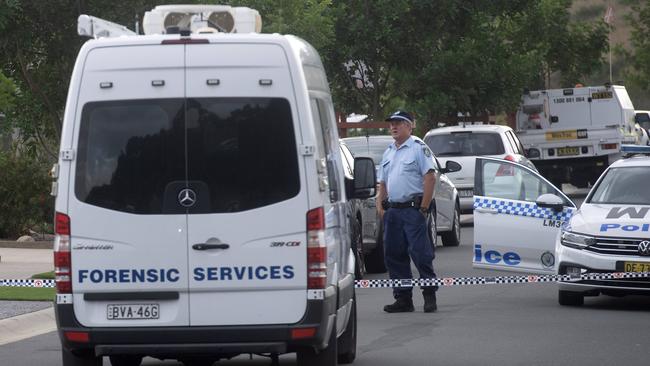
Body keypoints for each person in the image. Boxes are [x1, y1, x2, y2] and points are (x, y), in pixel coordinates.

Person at [377, 110, 438, 313]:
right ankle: (403, 298)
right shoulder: (389, 151)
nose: (394, 126)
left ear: (410, 126)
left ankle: (429, 295)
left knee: (421, 254)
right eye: (392, 123)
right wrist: (380, 206)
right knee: (394, 255)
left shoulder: (418, 148)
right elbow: (383, 183)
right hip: (393, 211)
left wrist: (424, 207)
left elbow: (430, 177)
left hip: (413, 210)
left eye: (399, 123)